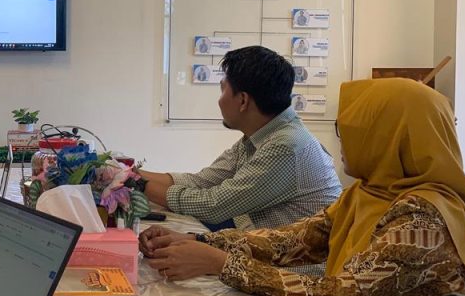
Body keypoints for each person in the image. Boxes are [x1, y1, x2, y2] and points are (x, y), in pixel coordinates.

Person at [139, 77, 465, 296]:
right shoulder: (369, 195)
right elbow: (293, 242)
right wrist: (201, 243)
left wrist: (221, 264)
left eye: (351, 131)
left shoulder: (421, 220)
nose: (341, 141)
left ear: (387, 137)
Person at [138, 46, 340, 231]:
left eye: (222, 89)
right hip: (255, 235)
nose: (219, 100)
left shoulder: (287, 146)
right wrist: (131, 173)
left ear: (243, 100)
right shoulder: (261, 135)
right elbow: (201, 182)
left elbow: (214, 205)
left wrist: (136, 185)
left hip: (288, 256)